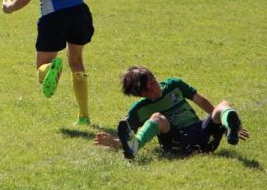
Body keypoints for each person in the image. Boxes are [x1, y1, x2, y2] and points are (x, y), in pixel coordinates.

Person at [93, 66, 249, 159]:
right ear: (141, 94)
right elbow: (127, 139)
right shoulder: (137, 111)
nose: (155, 88)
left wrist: (223, 121)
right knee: (157, 118)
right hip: (178, 145)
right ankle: (135, 149)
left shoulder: (174, 85)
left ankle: (231, 128)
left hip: (203, 137)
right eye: (149, 89)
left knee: (223, 105)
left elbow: (201, 102)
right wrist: (114, 143)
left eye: (153, 82)